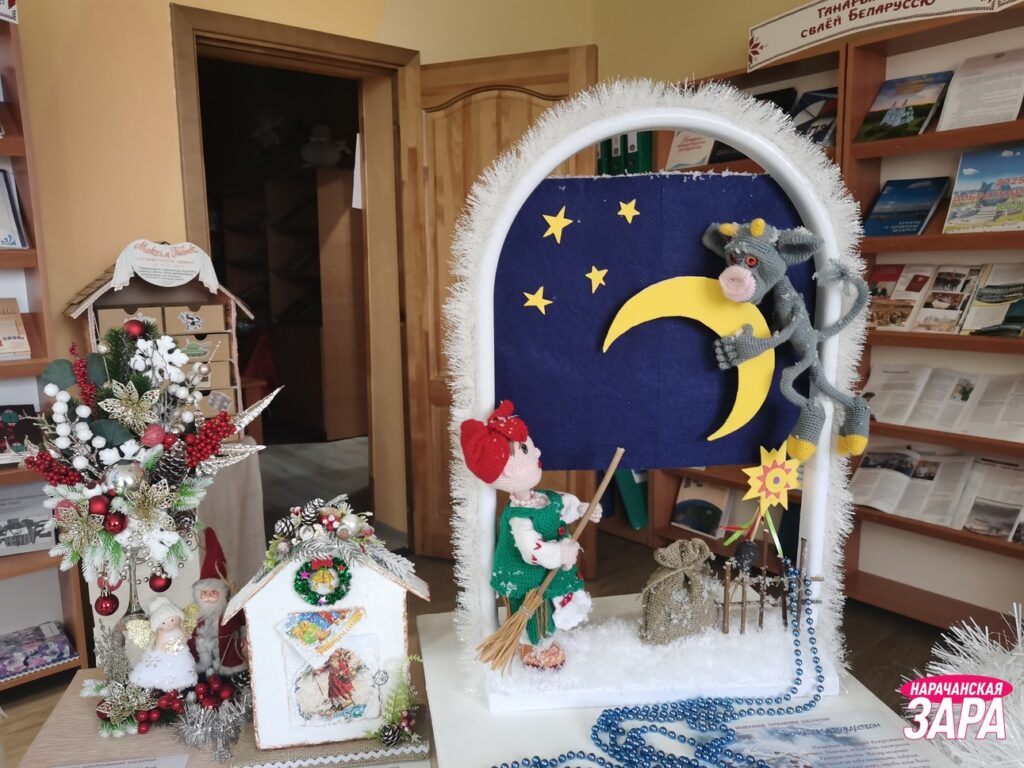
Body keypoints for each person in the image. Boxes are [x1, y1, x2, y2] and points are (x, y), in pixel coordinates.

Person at [460, 400, 600, 670]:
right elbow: (532, 551)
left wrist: (582, 509)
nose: (537, 451)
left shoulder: (543, 497)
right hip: (525, 579)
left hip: (542, 578)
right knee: (532, 615)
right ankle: (530, 645)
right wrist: (560, 553)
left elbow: (561, 506)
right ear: (508, 470)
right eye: (525, 449)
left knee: (547, 609)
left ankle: (543, 640)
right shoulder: (519, 517)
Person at [189, 528, 246, 676]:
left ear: (222, 594)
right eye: (204, 593)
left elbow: (244, 622)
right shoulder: (196, 615)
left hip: (229, 662)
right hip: (201, 665)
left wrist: (244, 637)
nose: (208, 597)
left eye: (213, 592)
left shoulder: (230, 610)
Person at [129, 597, 198, 691]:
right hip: (166, 653)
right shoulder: (161, 634)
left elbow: (183, 638)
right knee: (163, 669)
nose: (169, 624)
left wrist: (185, 640)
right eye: (164, 623)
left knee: (181, 668)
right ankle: (165, 685)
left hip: (179, 652)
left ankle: (181, 683)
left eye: (172, 620)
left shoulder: (179, 630)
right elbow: (161, 645)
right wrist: (167, 650)